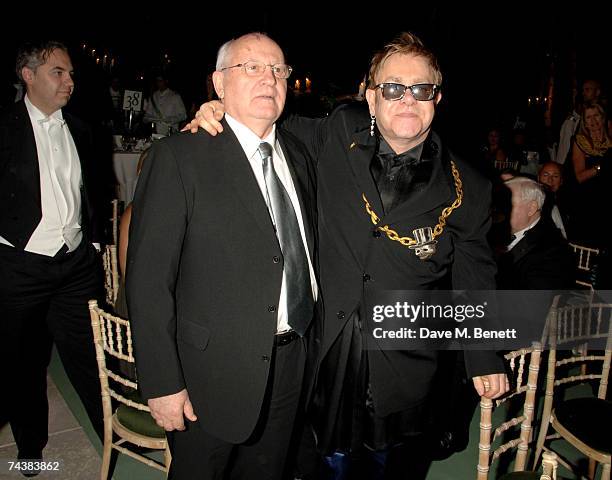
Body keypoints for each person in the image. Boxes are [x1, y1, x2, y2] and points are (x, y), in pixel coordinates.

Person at [188, 32, 508, 480]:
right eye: (393, 87)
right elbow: (264, 123)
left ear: (437, 97)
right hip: (323, 342)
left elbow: (476, 276)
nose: (407, 99)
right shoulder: (338, 130)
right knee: (309, 458)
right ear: (370, 96)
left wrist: (485, 355)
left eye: (421, 89)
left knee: (388, 464)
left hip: (404, 354)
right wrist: (220, 109)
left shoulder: (469, 186)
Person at [126, 33, 318, 480]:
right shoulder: (178, 157)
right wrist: (162, 383)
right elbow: (149, 281)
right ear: (218, 83)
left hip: (292, 362)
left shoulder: (302, 153)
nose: (268, 78)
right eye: (251, 68)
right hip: (209, 374)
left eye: (278, 69)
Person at [0, 40, 104, 471]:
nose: (69, 82)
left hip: (75, 264)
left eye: (71, 74)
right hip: (21, 264)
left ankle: (115, 436)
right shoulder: (3, 126)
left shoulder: (81, 128)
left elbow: (94, 191)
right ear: (28, 75)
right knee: (23, 365)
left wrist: (94, 243)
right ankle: (30, 454)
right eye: (58, 73)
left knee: (90, 359)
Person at [496, 177, 574, 289]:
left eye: (507, 204)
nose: (499, 210)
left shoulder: (552, 250)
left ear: (532, 208)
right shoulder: (493, 230)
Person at [569, 102, 611, 246]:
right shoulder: (580, 141)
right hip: (588, 201)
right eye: (588, 118)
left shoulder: (610, 140)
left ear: (603, 117)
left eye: (596, 116)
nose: (593, 121)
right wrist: (600, 167)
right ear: (584, 122)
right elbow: (580, 177)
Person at [554, 78, 601, 165]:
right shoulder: (576, 119)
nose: (584, 93)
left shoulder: (604, 117)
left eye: (587, 90)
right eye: (583, 90)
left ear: (597, 92)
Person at [537, 161, 568, 239]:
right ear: (538, 177)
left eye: (555, 176)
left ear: (561, 181)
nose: (550, 180)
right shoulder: (532, 202)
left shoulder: (565, 205)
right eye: (546, 175)